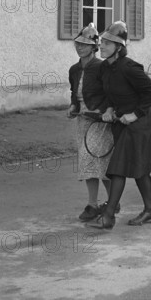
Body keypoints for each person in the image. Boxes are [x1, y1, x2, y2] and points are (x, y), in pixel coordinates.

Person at [87, 21, 151, 230]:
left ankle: (109, 216)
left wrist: (134, 114)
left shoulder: (130, 68)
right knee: (139, 169)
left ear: (119, 47)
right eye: (102, 42)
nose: (102, 46)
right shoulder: (105, 69)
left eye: (107, 43)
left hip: (140, 122)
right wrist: (109, 109)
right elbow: (109, 94)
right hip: (122, 122)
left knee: (118, 168)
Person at [68, 23, 113, 221]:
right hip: (82, 120)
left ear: (94, 47)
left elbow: (112, 91)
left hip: (100, 121)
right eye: (78, 43)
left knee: (95, 159)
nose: (80, 47)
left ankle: (112, 200)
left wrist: (108, 110)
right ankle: (93, 205)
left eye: (85, 44)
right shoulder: (74, 69)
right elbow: (74, 93)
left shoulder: (102, 67)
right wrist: (73, 107)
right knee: (90, 163)